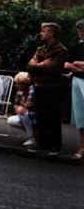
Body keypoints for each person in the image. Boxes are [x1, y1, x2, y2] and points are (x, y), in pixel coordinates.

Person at [27, 22, 68, 156]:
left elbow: (53, 69)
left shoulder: (61, 50)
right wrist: (41, 64)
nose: (41, 33)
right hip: (40, 86)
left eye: (43, 31)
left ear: (51, 33)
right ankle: (42, 144)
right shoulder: (41, 49)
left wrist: (36, 66)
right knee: (41, 117)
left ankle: (55, 146)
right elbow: (29, 67)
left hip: (53, 88)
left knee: (53, 117)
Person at [64, 18, 84, 159]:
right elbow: (66, 65)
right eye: (80, 30)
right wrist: (79, 65)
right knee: (80, 117)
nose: (81, 32)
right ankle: (82, 148)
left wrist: (76, 65)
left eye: (83, 29)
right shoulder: (78, 45)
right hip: (77, 81)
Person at [7, 72, 36, 146]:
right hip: (27, 116)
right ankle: (34, 134)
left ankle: (32, 138)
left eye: (18, 84)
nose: (16, 86)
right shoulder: (19, 92)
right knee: (11, 120)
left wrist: (21, 108)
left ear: (24, 84)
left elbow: (29, 104)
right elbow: (16, 105)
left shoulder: (32, 89)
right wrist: (18, 108)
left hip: (35, 114)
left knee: (23, 113)